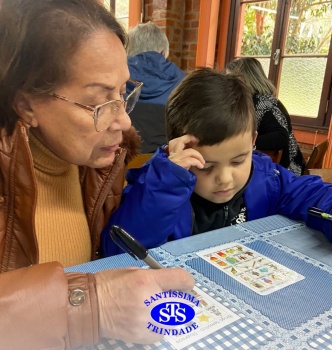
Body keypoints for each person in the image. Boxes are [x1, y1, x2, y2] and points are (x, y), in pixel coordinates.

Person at [0, 0, 194, 349]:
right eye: (98, 102)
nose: (124, 122)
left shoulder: (100, 163)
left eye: (123, 93)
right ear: (26, 105)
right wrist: (91, 303)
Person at [102, 68, 332, 258]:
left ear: (253, 140)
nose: (225, 179)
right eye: (206, 166)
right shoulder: (159, 184)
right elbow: (119, 250)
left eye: (238, 160)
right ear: (175, 149)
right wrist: (168, 182)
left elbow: (310, 193)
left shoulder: (267, 177)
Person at [225, 57, 305, 176]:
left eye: (231, 80)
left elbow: (281, 137)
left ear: (244, 80)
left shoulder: (262, 104)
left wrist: (245, 143)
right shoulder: (266, 99)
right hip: (284, 166)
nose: (228, 85)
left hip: (286, 172)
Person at [126, 22, 186, 153]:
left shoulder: (112, 80)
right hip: (166, 163)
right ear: (163, 52)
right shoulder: (185, 85)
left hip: (118, 163)